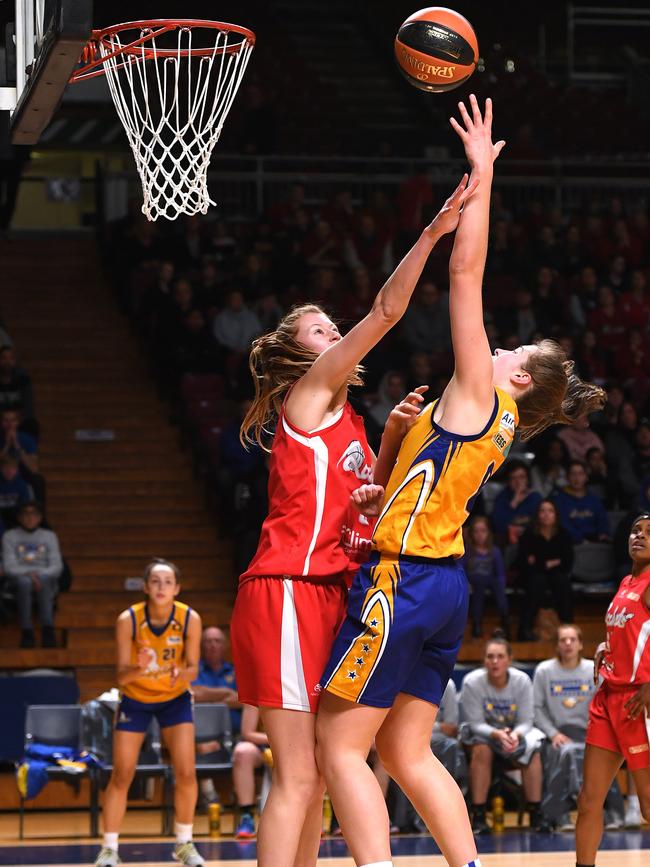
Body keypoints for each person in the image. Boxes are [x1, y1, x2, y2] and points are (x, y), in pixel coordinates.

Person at [315, 96, 604, 867]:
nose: (502, 347)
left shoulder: (483, 395)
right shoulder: (497, 422)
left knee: (339, 742)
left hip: (402, 580)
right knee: (408, 751)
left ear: (519, 378)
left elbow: (466, 270)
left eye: (516, 350)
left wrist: (480, 175)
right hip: (444, 588)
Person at [230, 170, 476, 867]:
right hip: (286, 587)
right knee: (302, 772)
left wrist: (393, 441)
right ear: (298, 351)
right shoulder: (307, 395)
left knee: (322, 772)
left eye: (331, 324)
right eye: (320, 328)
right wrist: (432, 232)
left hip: (336, 589)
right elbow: (387, 311)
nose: (333, 330)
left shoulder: (354, 424)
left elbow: (367, 496)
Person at [93, 559, 204, 867]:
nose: (161, 587)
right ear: (145, 587)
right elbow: (121, 678)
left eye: (168, 582)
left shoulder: (189, 618)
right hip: (135, 699)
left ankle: (184, 842)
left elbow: (194, 670)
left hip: (175, 698)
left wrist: (180, 674)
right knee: (122, 774)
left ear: (177, 588)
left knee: (186, 772)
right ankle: (110, 847)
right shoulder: (128, 619)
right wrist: (139, 667)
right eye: (155, 581)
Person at [576, 513, 650, 867]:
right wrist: (606, 648)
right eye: (636, 530)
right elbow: (632, 633)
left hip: (640, 703)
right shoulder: (625, 582)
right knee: (590, 800)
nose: (640, 535)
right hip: (608, 701)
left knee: (648, 807)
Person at [460, 634, 547, 835]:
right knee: (482, 751)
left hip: (513, 734)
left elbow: (527, 720)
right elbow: (474, 723)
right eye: (490, 657)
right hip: (483, 735)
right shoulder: (472, 682)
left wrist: (515, 735)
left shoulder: (522, 681)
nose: (495, 661)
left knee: (533, 753)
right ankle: (479, 815)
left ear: (509, 659)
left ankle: (535, 814)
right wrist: (496, 734)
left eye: (500, 656)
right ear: (484, 660)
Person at [533, 624, 606, 830]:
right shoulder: (544, 670)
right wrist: (553, 733)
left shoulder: (593, 669)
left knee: (595, 753)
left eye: (572, 639)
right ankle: (561, 815)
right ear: (557, 645)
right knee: (564, 753)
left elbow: (602, 705)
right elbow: (536, 709)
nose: (568, 644)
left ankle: (607, 814)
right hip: (555, 736)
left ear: (581, 644)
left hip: (589, 733)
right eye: (563, 640)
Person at [2, 501, 62, 648]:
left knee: (43, 580)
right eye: (25, 514)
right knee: (24, 583)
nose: (29, 518)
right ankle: (27, 631)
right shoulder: (10, 536)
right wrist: (29, 574)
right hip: (18, 579)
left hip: (45, 577)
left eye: (33, 514)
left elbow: (57, 566)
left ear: (40, 517)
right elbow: (8, 567)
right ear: (19, 517)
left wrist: (38, 575)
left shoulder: (49, 536)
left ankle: (48, 630)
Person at [516, 499, 575, 641]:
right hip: (532, 576)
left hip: (556, 575)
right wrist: (551, 562)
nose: (546, 515)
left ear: (556, 514)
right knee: (536, 582)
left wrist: (539, 561)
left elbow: (567, 562)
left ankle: (568, 628)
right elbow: (524, 562)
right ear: (537, 515)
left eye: (550, 511)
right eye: (542, 511)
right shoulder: (529, 534)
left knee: (562, 582)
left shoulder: (563, 534)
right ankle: (525, 629)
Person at [463, 515, 508, 639]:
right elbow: (461, 570)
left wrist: (501, 584)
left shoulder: (494, 551)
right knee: (479, 584)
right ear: (471, 533)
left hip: (489, 579)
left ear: (488, 532)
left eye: (483, 531)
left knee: (497, 584)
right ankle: (477, 624)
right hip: (473, 581)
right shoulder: (466, 550)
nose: (479, 535)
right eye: (476, 531)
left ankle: (504, 619)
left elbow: (500, 573)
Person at [553, 460, 610, 543]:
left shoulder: (594, 499)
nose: (577, 478)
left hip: (595, 540)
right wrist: (580, 539)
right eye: (573, 474)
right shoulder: (559, 499)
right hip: (571, 542)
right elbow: (564, 525)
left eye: (580, 474)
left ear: (586, 477)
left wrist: (603, 534)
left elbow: (603, 520)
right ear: (567, 477)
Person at [491, 461, 542, 542]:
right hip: (507, 542)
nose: (518, 482)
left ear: (528, 479)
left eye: (522, 477)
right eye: (513, 478)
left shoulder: (535, 497)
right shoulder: (502, 498)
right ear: (508, 481)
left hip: (532, 541)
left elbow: (540, 524)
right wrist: (514, 501)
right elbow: (499, 526)